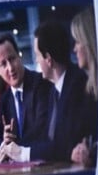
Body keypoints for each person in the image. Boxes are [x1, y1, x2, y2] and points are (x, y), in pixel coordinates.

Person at [0, 34, 56, 164]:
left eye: (12, 59)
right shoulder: (5, 99)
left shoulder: (42, 84)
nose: (10, 68)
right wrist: (3, 143)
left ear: (19, 55)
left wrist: (11, 147)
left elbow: (42, 132)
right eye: (3, 64)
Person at [31, 20, 91, 161]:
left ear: (48, 59)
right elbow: (46, 138)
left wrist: (22, 153)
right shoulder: (53, 91)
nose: (37, 60)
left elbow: (64, 145)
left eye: (37, 55)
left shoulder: (78, 84)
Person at [69, 7, 98, 167]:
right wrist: (81, 148)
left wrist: (92, 153)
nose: (74, 49)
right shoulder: (89, 90)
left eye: (77, 41)